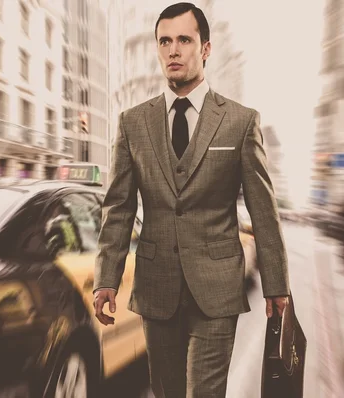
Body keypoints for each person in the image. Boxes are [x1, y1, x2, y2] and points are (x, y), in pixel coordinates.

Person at [93, 3, 290, 397]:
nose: (173, 50)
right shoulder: (133, 123)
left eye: (184, 39)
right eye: (164, 41)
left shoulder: (240, 121)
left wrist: (276, 284)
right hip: (156, 286)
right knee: (166, 391)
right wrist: (106, 278)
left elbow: (263, 211)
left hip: (217, 289)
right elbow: (119, 208)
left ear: (205, 49)